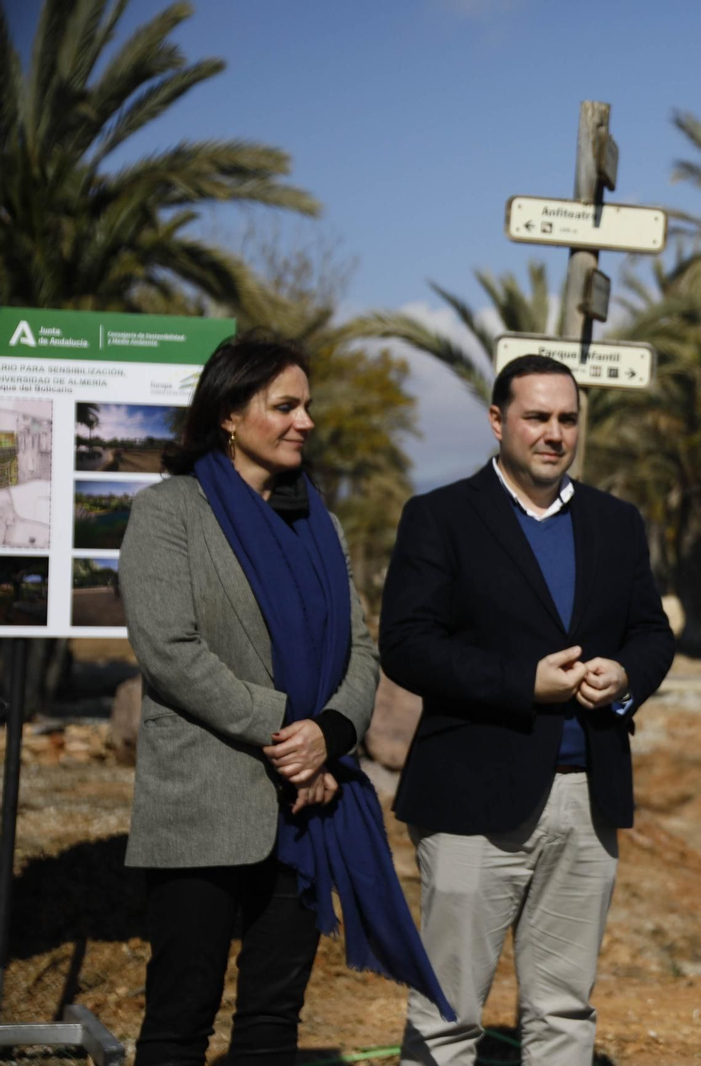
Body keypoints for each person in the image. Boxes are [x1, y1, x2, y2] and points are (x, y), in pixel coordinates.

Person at [120, 333, 451, 1066]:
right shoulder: (169, 513)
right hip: (205, 805)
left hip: (307, 808)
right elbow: (169, 652)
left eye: (308, 406)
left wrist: (330, 735)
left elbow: (361, 652)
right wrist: (286, 732)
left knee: (273, 1020)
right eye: (285, 406)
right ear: (230, 416)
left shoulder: (319, 525)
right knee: (180, 1017)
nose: (305, 421)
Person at [383, 354, 676, 1066]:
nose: (554, 433)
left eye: (567, 419)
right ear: (497, 421)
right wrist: (523, 682)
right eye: (536, 417)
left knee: (563, 1010)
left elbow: (652, 632)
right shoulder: (440, 516)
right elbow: (408, 645)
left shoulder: (616, 521)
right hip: (472, 800)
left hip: (586, 801)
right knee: (448, 1014)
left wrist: (625, 672)